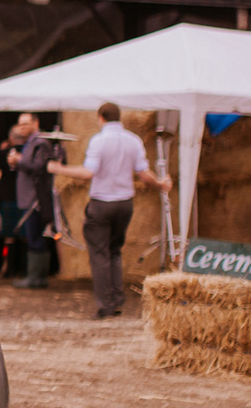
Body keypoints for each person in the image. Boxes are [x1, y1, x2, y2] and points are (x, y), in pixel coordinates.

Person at [50, 103, 169, 318]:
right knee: (115, 251)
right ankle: (117, 298)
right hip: (125, 204)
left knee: (99, 254)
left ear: (100, 117)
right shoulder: (133, 140)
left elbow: (88, 172)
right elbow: (143, 173)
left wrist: (59, 169)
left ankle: (106, 304)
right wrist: (160, 184)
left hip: (102, 203)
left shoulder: (99, 140)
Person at [10, 113, 62, 288]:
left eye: (25, 124)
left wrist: (20, 160)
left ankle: (35, 278)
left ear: (35, 123)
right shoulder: (29, 144)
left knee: (35, 237)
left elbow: (39, 168)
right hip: (28, 198)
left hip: (35, 199)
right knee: (34, 237)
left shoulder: (40, 143)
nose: (22, 127)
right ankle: (38, 278)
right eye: (20, 124)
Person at [0, 118, 29, 278]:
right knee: (24, 236)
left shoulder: (1, 155)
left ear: (10, 138)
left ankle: (7, 268)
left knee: (9, 237)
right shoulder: (28, 153)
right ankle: (24, 269)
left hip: (7, 198)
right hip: (25, 198)